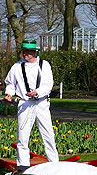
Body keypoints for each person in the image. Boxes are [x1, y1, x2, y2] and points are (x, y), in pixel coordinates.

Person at [4, 39, 58, 168]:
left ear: (35, 52)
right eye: (23, 51)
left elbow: (48, 84)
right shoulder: (17, 66)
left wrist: (37, 92)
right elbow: (10, 83)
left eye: (28, 51)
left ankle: (54, 164)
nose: (25, 54)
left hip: (41, 103)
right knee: (22, 136)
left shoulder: (44, 65)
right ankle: (23, 166)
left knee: (48, 134)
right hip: (25, 104)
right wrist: (9, 93)